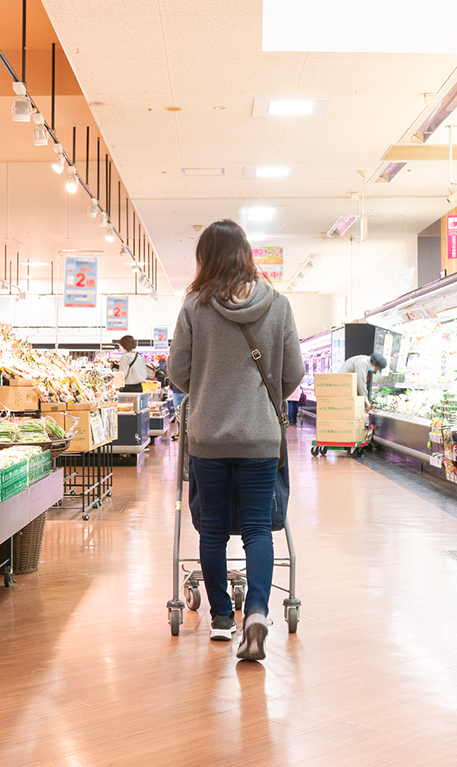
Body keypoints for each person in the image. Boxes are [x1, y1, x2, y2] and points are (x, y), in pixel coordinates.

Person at [170, 219, 304, 661]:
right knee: (257, 528)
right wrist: (262, 405)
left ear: (205, 257)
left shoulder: (194, 306)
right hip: (260, 439)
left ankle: (223, 618)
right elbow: (294, 374)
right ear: (246, 254)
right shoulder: (278, 305)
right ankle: (258, 613)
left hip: (207, 435)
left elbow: (177, 372)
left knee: (212, 530)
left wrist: (208, 387)